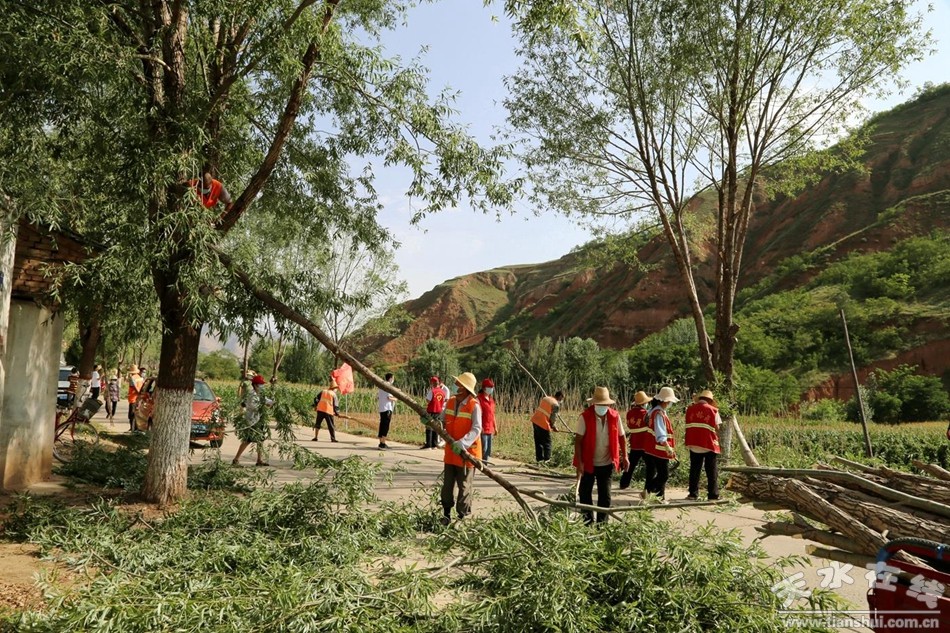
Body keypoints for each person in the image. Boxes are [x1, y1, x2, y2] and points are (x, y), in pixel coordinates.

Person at [573, 386, 628, 524]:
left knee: (605, 496)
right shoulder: (585, 417)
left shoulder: (615, 417)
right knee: (585, 494)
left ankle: (602, 525)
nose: (602, 407)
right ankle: (588, 523)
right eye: (599, 404)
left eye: (604, 405)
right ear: (594, 404)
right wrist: (579, 463)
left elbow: (622, 437)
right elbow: (578, 441)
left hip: (607, 462)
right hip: (588, 462)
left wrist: (625, 457)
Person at [440, 372, 483, 525]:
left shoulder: (474, 405)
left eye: (458, 384)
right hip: (451, 453)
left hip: (467, 454)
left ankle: (461, 517)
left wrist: (463, 443)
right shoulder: (451, 402)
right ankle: (446, 515)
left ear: (464, 388)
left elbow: (477, 428)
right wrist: (432, 421)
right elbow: (442, 419)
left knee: (464, 486)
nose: (455, 387)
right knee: (447, 486)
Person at [685, 389, 722, 501]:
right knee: (711, 471)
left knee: (694, 470)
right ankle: (713, 495)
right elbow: (717, 427)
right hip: (708, 443)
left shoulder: (690, 409)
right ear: (710, 400)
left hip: (693, 443)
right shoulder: (714, 410)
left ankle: (693, 494)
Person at [643, 387, 679, 501]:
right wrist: (667, 446)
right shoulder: (658, 413)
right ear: (665, 401)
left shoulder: (655, 411)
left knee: (659, 473)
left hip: (654, 448)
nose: (670, 404)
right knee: (664, 475)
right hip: (659, 449)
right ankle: (648, 490)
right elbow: (660, 431)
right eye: (669, 401)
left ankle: (659, 497)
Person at [232, 374, 272, 467]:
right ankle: (236, 459)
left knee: (260, 440)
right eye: (261, 384)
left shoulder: (260, 394)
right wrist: (265, 406)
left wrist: (273, 402)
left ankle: (259, 460)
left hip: (258, 420)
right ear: (255, 385)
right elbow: (254, 407)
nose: (262, 386)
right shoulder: (251, 395)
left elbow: (267, 400)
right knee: (247, 440)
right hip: (251, 421)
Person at [619, 391, 652, 490]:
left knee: (631, 464)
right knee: (651, 466)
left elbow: (629, 426)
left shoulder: (629, 413)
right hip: (645, 444)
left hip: (634, 443)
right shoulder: (646, 414)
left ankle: (624, 483)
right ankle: (648, 487)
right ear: (644, 403)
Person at [530, 390, 563, 462]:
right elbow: (553, 418)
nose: (561, 401)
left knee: (538, 441)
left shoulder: (545, 398)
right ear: (560, 397)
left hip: (535, 421)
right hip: (543, 423)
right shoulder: (555, 404)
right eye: (562, 398)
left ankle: (539, 459)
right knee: (547, 443)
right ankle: (547, 460)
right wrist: (554, 427)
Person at [423, 376, 450, 449]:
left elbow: (428, 400)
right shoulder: (442, 392)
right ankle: (434, 444)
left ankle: (428, 444)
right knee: (436, 427)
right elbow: (444, 400)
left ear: (433, 383)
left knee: (429, 427)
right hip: (439, 411)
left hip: (431, 410)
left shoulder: (432, 391)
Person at [477, 378, 497, 464]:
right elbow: (478, 415)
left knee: (488, 449)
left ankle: (485, 464)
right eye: (490, 387)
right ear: (484, 388)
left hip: (490, 428)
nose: (491, 389)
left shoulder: (491, 400)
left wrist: (495, 427)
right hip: (483, 428)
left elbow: (492, 414)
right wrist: (480, 426)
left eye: (492, 387)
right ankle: (481, 464)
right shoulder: (479, 399)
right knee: (483, 448)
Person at [377, 373, 396, 450]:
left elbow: (378, 397)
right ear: (390, 378)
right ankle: (383, 443)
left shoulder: (381, 387)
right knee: (385, 426)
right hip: (387, 409)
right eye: (393, 378)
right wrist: (396, 399)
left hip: (382, 408)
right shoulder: (388, 386)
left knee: (382, 425)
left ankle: (381, 442)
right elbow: (389, 397)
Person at [127, 365, 144, 432]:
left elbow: (135, 387)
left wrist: (138, 393)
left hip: (133, 398)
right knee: (137, 414)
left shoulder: (132, 378)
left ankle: (132, 428)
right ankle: (136, 428)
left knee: (131, 414)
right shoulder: (140, 378)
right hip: (139, 398)